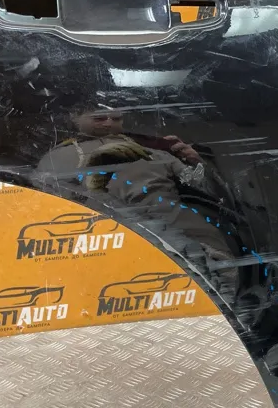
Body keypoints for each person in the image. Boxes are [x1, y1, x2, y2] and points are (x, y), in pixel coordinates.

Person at [36, 107, 238, 303]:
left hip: (177, 226)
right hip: (108, 237)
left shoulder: (155, 151)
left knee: (219, 283)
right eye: (99, 118)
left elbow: (207, 190)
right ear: (75, 118)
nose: (109, 123)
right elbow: (51, 206)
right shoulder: (57, 158)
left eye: (116, 118)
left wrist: (196, 162)